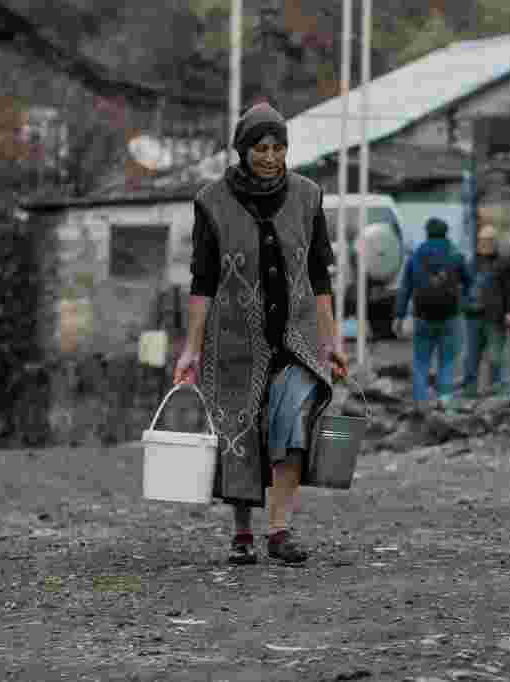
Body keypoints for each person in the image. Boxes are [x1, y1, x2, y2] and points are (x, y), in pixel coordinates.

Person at [173, 101, 349, 567]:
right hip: (232, 340)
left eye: (278, 146)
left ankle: (279, 530)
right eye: (261, 147)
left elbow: (320, 276)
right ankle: (242, 533)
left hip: (297, 340)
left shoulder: (309, 196)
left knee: (291, 426)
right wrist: (191, 347)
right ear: (243, 150)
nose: (271, 155)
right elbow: (202, 282)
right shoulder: (212, 202)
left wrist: (331, 341)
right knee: (238, 434)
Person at [393, 217, 472, 406]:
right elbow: (470, 283)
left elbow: (405, 288)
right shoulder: (456, 255)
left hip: (423, 316)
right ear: (446, 232)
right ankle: (444, 399)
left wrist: (399, 316)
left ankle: (421, 401)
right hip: (450, 316)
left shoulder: (415, 256)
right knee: (446, 360)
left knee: (421, 361)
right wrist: (465, 304)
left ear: (427, 232)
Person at [461, 224, 510, 397]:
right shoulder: (471, 262)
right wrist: (464, 304)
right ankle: (469, 391)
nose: (486, 244)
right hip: (473, 317)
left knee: (495, 356)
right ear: (479, 242)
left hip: (494, 317)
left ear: (495, 242)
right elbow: (464, 287)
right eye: (483, 240)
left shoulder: (503, 264)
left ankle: (494, 392)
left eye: (489, 240)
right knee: (471, 357)